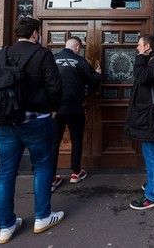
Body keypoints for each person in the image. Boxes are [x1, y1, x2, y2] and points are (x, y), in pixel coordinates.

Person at [0, 17, 64, 244]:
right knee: (42, 166)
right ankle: (43, 217)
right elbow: (55, 86)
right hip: (36, 120)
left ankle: (6, 226)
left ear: (17, 32)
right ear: (36, 34)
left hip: (3, 123)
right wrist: (54, 109)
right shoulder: (42, 54)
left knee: (6, 171)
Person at [124, 34, 154, 210]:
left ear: (147, 47)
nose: (137, 48)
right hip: (150, 113)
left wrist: (139, 58)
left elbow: (142, 77)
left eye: (139, 46)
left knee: (151, 155)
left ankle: (152, 196)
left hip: (151, 115)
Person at [51, 36, 101, 191]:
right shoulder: (80, 61)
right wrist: (98, 73)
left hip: (55, 109)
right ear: (78, 47)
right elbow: (93, 81)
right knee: (76, 140)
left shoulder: (52, 59)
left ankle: (51, 179)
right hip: (74, 108)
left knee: (54, 142)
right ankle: (75, 173)